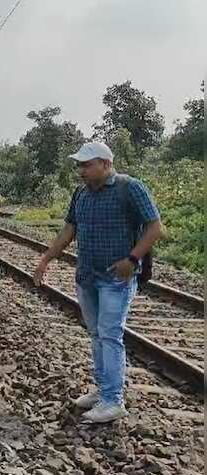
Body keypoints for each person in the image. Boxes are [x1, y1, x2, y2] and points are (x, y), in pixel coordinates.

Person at [34, 142, 162, 423]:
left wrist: (132, 259)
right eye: (79, 165)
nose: (81, 171)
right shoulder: (81, 193)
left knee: (110, 335)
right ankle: (104, 390)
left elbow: (155, 227)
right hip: (87, 276)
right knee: (96, 335)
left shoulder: (130, 188)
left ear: (105, 164)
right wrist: (46, 259)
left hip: (116, 278)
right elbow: (69, 230)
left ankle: (113, 400)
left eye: (86, 165)